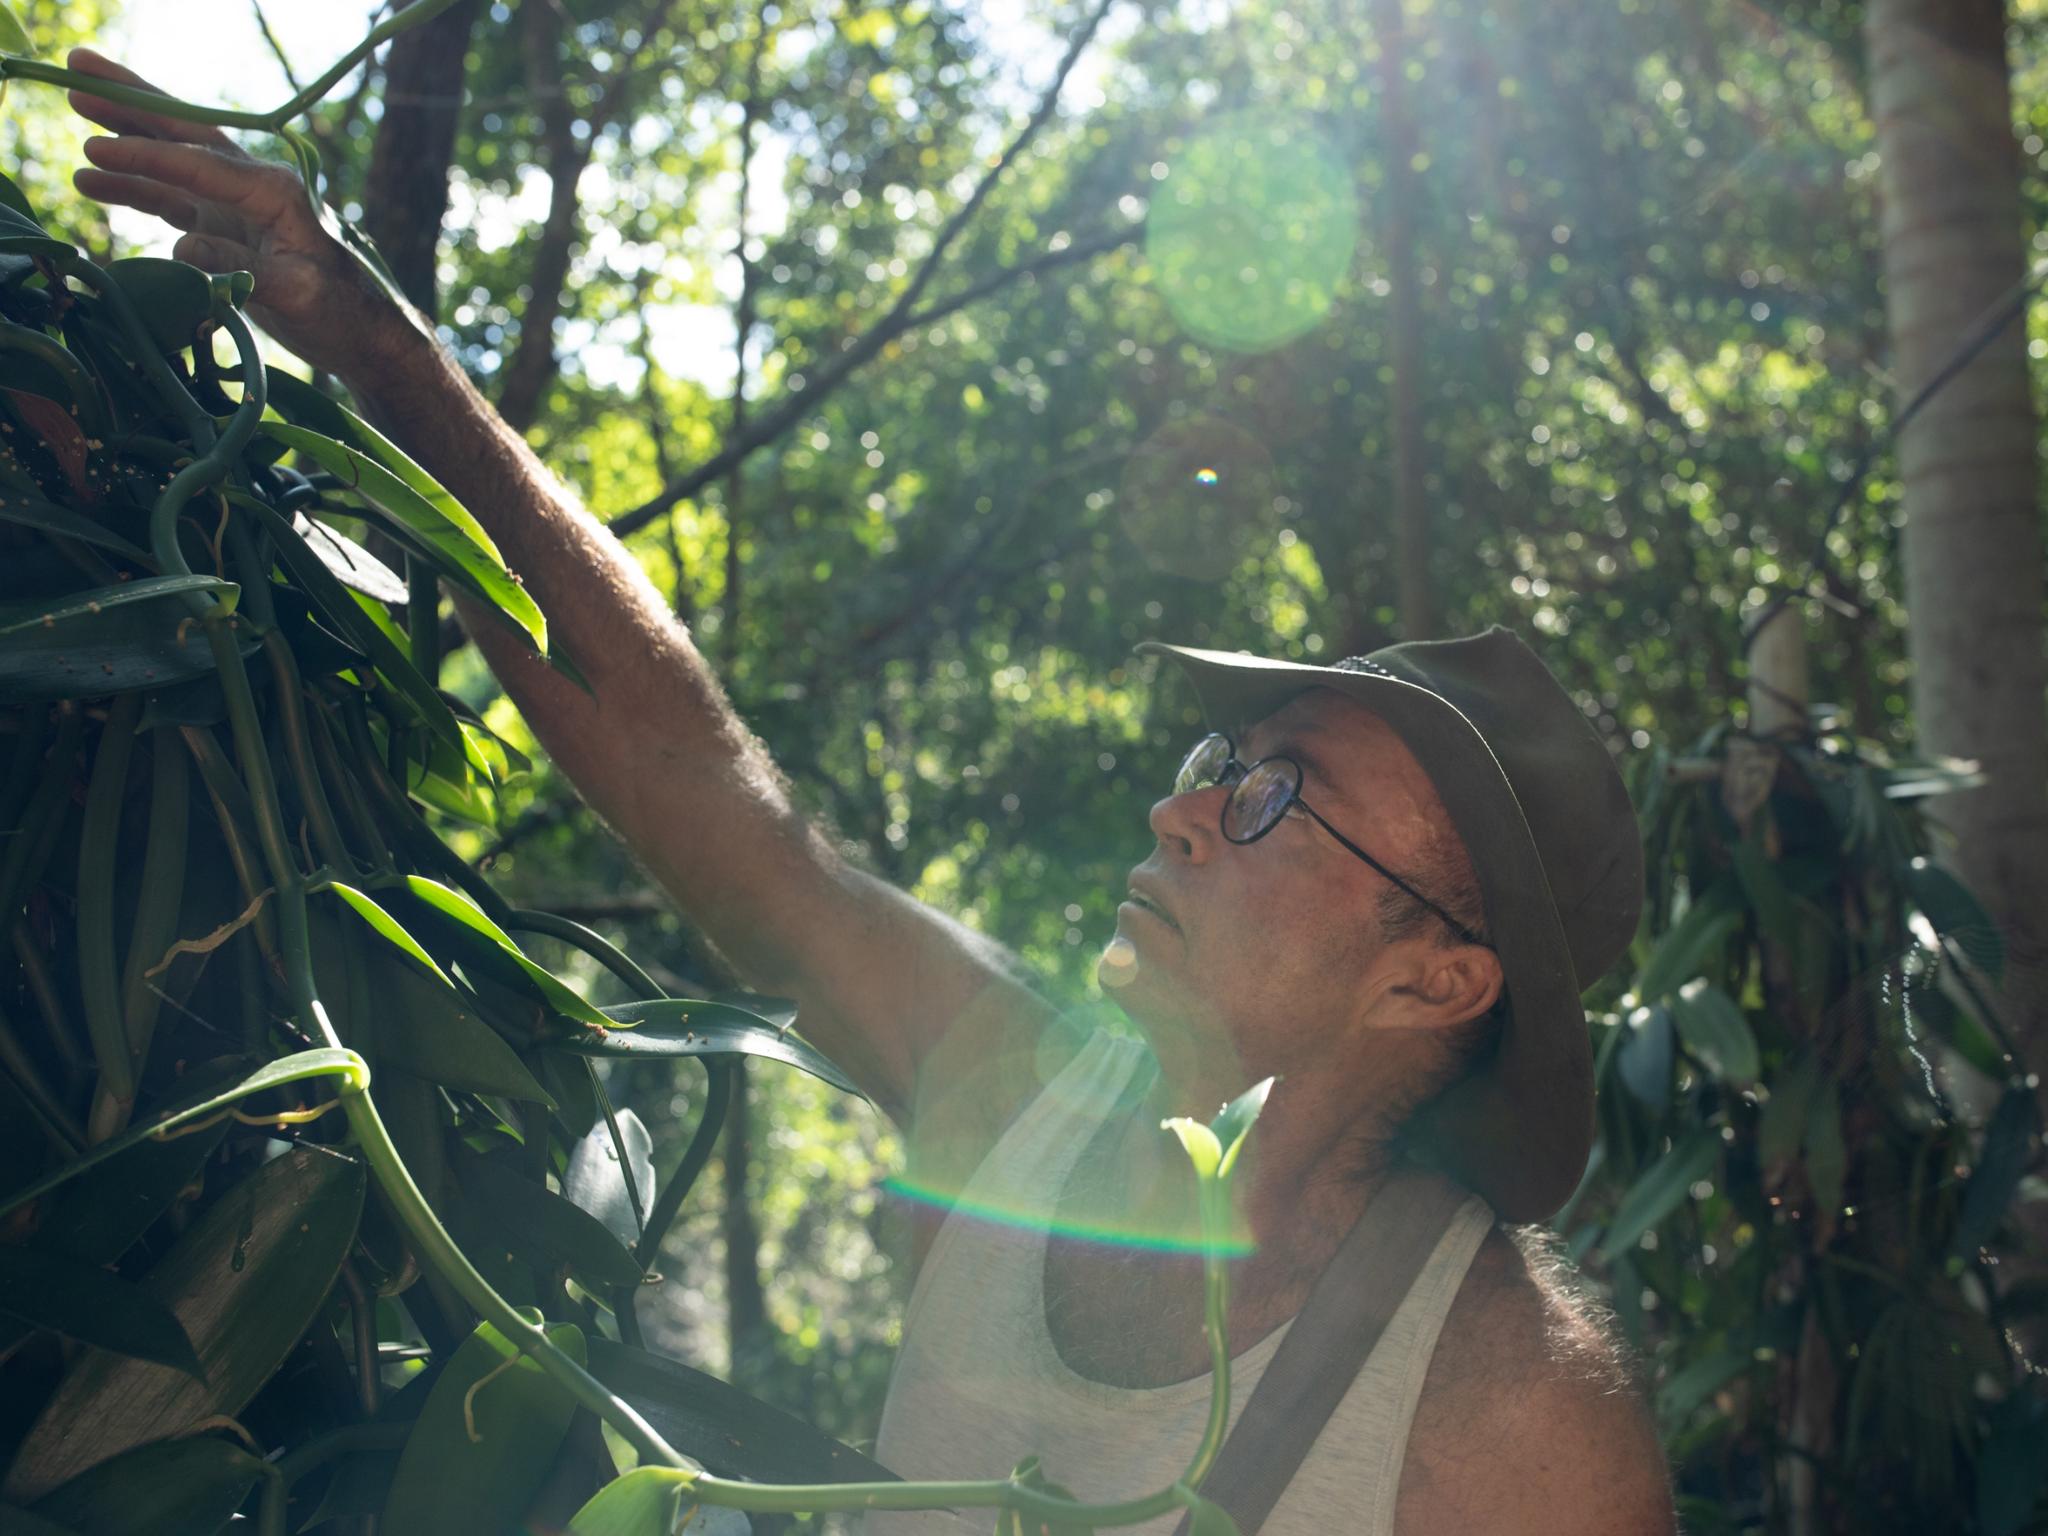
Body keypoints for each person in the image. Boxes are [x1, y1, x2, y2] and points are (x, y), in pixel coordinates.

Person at [66, 50, 1677, 1534]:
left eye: (1280, 801)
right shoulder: (1008, 1103)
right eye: (1220, 769)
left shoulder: (1514, 1416)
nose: (1181, 814)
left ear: (1439, 975)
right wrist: (356, 328)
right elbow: (696, 780)